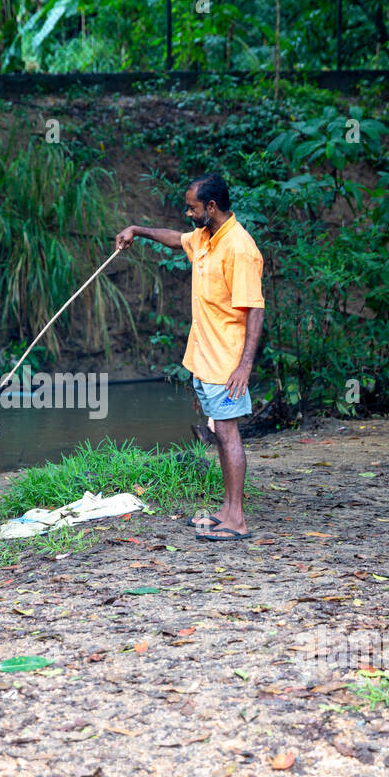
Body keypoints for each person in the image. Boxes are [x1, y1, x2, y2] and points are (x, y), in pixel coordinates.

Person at [114, 173, 264, 541]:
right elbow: (172, 238)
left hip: (227, 363)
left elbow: (255, 309)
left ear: (211, 207)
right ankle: (227, 511)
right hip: (204, 355)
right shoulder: (205, 238)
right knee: (220, 432)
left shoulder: (239, 248)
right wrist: (137, 229)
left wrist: (245, 366)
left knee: (228, 435)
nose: (188, 213)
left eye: (193, 208)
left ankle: (237, 520)